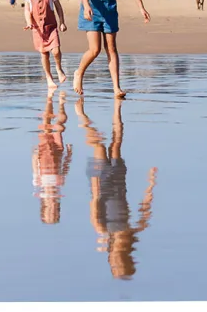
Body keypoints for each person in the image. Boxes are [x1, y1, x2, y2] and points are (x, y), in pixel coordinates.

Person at [78, 95, 157, 280]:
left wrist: (96, 183)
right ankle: (117, 107)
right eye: (120, 262)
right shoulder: (133, 231)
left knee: (98, 144)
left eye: (115, 263)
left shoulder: (102, 230)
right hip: (120, 180)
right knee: (117, 139)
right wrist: (151, 182)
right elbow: (145, 208)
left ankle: (80, 114)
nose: (116, 259)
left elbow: (95, 202)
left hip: (101, 182)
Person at [22, 0, 69, 88]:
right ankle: (49, 77)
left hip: (51, 26)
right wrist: (29, 23)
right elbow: (27, 10)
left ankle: (59, 69)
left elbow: (58, 7)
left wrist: (62, 22)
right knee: (44, 54)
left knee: (56, 51)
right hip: (37, 29)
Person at [31, 93, 72, 224]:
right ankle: (61, 104)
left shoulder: (38, 184)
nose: (52, 208)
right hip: (58, 151)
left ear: (44, 206)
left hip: (43, 152)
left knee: (46, 125)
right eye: (54, 211)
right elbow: (65, 168)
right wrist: (69, 154)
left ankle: (49, 100)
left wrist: (35, 153)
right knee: (59, 127)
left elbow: (35, 167)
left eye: (50, 210)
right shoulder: (60, 183)